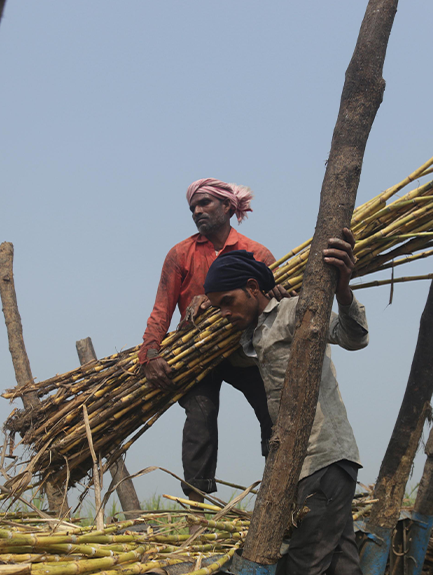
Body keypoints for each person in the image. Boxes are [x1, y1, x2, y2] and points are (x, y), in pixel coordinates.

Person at [204, 229, 366, 575]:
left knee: (305, 563)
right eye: (218, 306)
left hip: (323, 457)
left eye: (227, 301)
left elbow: (354, 338)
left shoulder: (295, 310)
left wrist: (343, 291)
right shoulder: (252, 335)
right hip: (306, 464)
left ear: (252, 287)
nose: (224, 312)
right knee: (341, 562)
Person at [139, 178, 275, 502]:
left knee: (273, 409)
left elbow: (273, 305)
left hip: (244, 349)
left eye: (205, 204)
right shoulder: (180, 254)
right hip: (197, 355)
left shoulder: (256, 253)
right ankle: (195, 508)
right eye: (193, 207)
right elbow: (161, 310)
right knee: (201, 414)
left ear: (228, 206)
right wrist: (150, 354)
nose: (197, 211)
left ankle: (276, 495)